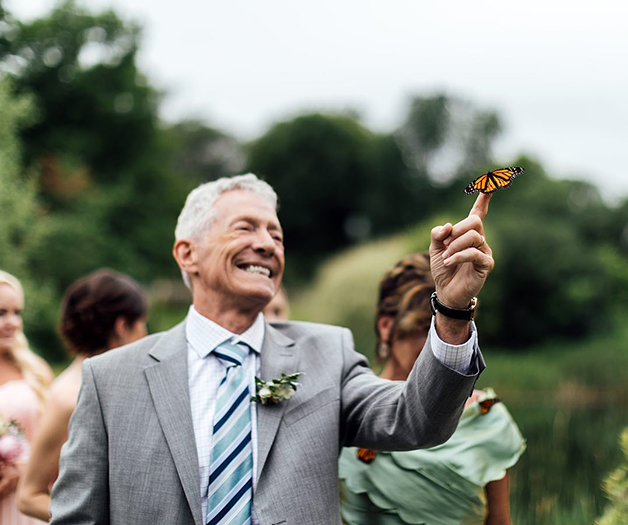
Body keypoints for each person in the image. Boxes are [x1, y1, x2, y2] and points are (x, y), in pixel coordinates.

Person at [51, 173, 495, 525]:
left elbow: (417, 422)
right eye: (245, 228)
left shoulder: (327, 352)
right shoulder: (110, 378)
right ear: (187, 254)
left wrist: (452, 311)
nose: (266, 244)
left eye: (276, 236)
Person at [339, 252, 525, 525]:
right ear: (387, 326)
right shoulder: (347, 406)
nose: (436, 340)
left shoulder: (487, 420)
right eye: (423, 327)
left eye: (450, 325)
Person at [16, 269, 148, 522]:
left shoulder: (118, 382)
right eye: (143, 324)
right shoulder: (69, 396)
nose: (146, 335)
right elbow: (29, 496)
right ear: (122, 326)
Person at [0, 271, 53, 525]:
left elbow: (60, 444)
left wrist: (21, 470)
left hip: (27, 505)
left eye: (16, 312)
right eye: (1, 313)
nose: (12, 322)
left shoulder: (36, 371)